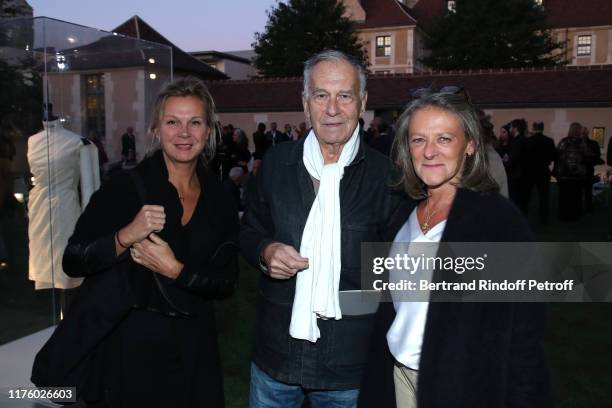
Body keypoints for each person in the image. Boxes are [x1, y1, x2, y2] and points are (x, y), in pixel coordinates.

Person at [359, 92, 550, 407]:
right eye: (418, 139)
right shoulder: (403, 213)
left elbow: (524, 337)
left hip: (459, 388)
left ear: (470, 144)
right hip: (398, 377)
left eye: (444, 138)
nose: (429, 151)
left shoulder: (497, 223)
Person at [57, 77, 239, 406]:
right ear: (156, 129)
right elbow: (73, 259)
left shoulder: (221, 197)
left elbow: (225, 283)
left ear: (208, 131)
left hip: (193, 346)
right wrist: (125, 236)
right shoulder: (125, 188)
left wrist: (176, 270)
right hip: (129, 347)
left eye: (194, 122)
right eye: (173, 122)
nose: (184, 133)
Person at [240, 50, 404, 407]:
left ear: (362, 103)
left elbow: (398, 272)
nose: (332, 109)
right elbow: (250, 230)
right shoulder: (276, 165)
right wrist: (265, 251)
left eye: (344, 96)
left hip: (348, 366)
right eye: (321, 95)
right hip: (276, 358)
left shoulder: (387, 178)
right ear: (305, 103)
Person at [555, 122, 589, 221]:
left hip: (564, 174)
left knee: (564, 197)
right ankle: (574, 216)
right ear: (578, 130)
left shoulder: (563, 141)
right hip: (577, 175)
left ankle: (563, 215)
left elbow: (557, 155)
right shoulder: (582, 142)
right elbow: (587, 155)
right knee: (576, 196)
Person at [525, 121, 556, 224]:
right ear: (542, 128)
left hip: (530, 171)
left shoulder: (528, 141)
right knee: (544, 196)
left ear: (533, 128)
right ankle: (544, 219)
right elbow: (553, 157)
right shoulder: (549, 141)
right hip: (543, 170)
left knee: (527, 196)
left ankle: (525, 216)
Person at [507, 118, 529, 214]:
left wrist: (506, 164)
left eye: (511, 126)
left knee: (516, 200)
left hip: (516, 175)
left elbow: (513, 159)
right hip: (523, 174)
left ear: (515, 128)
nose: (510, 129)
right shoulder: (524, 140)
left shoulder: (517, 141)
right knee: (522, 201)